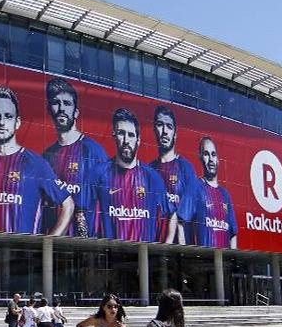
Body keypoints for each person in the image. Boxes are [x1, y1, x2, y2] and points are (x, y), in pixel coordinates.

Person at [0, 86, 75, 234]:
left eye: (8, 116)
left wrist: (49, 245)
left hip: (25, 255)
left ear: (17, 122)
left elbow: (68, 205)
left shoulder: (36, 164)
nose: (2, 122)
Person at [80, 108, 180, 243]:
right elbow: (80, 211)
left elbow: (171, 213)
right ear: (114, 135)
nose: (126, 140)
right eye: (122, 133)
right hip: (109, 258)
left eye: (131, 135)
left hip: (143, 259)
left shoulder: (151, 177)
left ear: (138, 140)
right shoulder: (98, 173)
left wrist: (166, 247)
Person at [41, 77, 110, 237]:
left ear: (76, 112)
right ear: (48, 109)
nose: (61, 108)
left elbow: (108, 202)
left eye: (67, 103)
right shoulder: (46, 156)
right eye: (56, 102)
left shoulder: (94, 152)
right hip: (53, 242)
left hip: (86, 245)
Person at [148, 106, 199, 244]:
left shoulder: (186, 168)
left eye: (169, 126)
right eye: (160, 125)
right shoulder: (148, 170)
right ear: (154, 130)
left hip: (181, 248)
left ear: (175, 133)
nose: (164, 131)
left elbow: (190, 211)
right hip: (153, 245)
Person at [193, 137, 237, 248]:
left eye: (213, 154)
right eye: (206, 154)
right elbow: (180, 221)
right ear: (201, 158)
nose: (211, 159)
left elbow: (233, 234)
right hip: (201, 260)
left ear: (218, 159)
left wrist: (234, 258)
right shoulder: (195, 187)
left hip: (225, 261)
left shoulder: (225, 194)